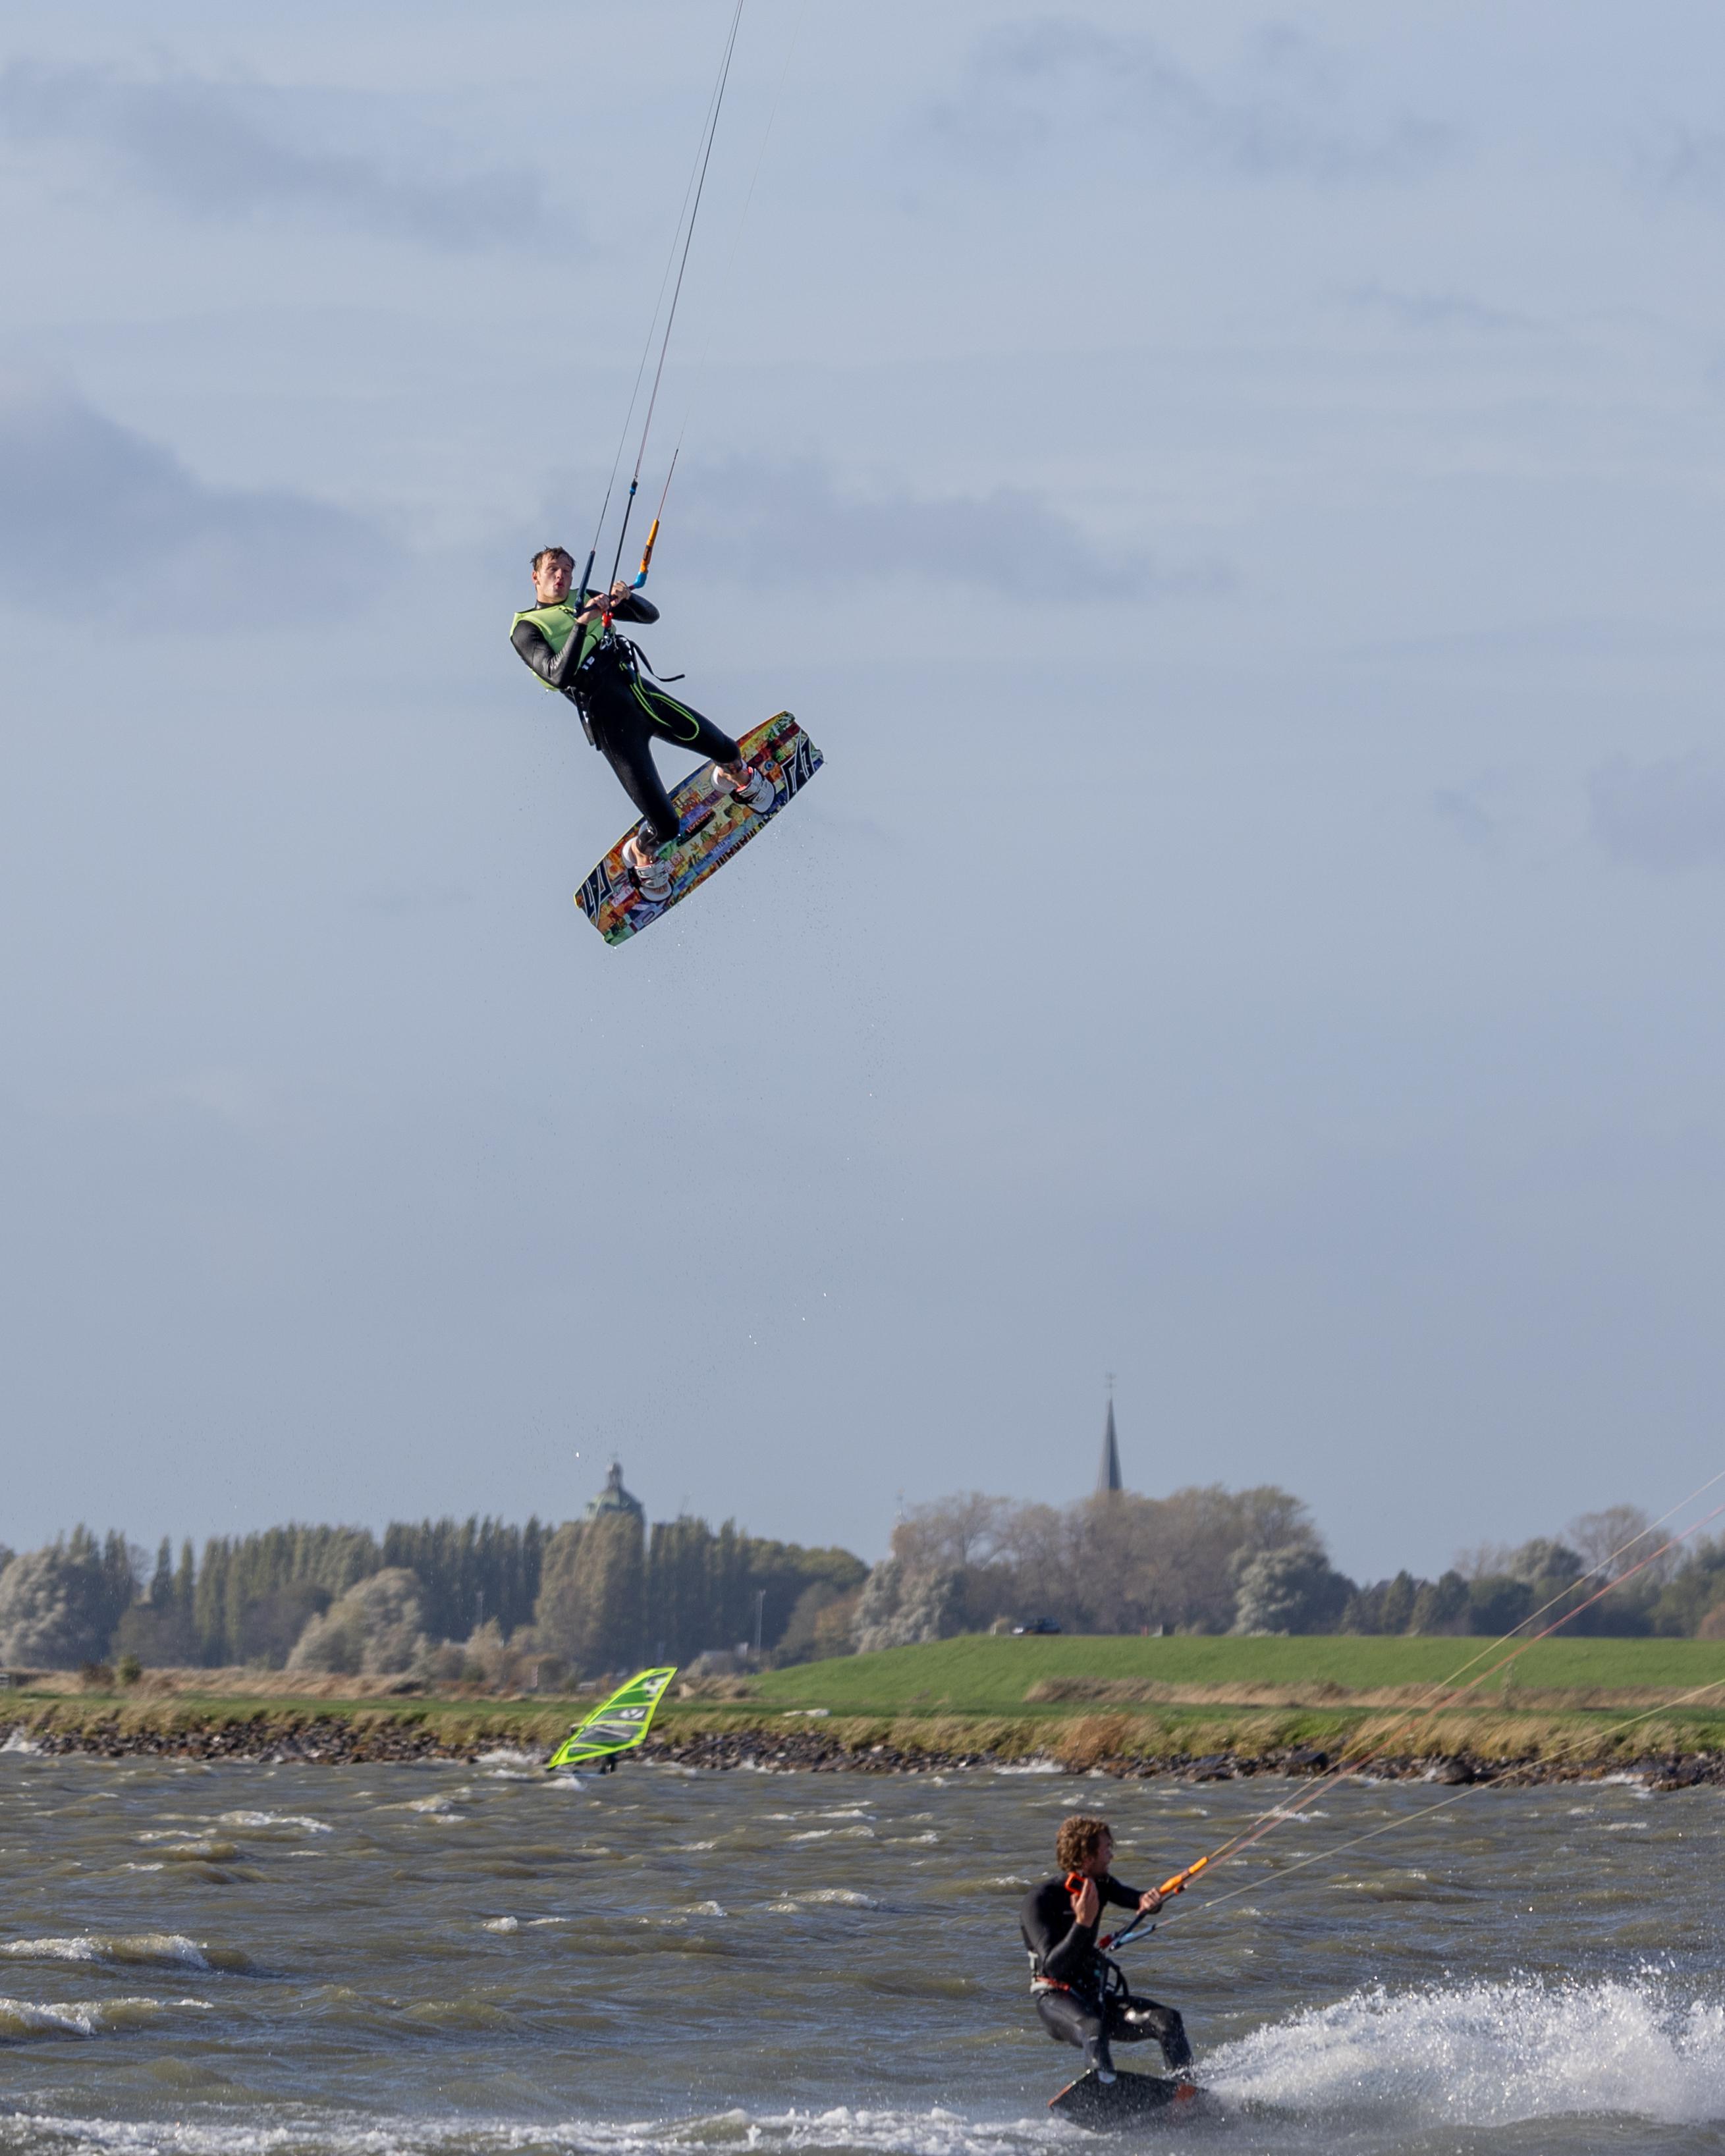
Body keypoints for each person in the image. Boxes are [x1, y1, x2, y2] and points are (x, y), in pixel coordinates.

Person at [510, 546, 773, 902]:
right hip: (611, 725)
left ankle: (733, 776)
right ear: (535, 577)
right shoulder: (526, 627)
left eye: (568, 570)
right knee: (667, 826)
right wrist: (582, 623)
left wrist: (627, 598)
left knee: (727, 749)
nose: (561, 576)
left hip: (642, 697)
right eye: (553, 569)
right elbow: (557, 675)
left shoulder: (584, 598)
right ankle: (640, 853)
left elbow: (650, 616)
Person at [1019, 1813, 1193, 2086]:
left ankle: (1187, 2091)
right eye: (1106, 1849)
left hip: (1094, 1996)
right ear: (1087, 1857)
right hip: (1055, 1998)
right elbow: (1053, 1967)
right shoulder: (1040, 1900)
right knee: (1093, 2028)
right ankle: (1105, 2091)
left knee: (1167, 2020)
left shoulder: (1102, 1885)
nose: (1111, 1855)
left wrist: (1149, 1901)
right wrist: (1082, 1923)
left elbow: (1136, 1900)